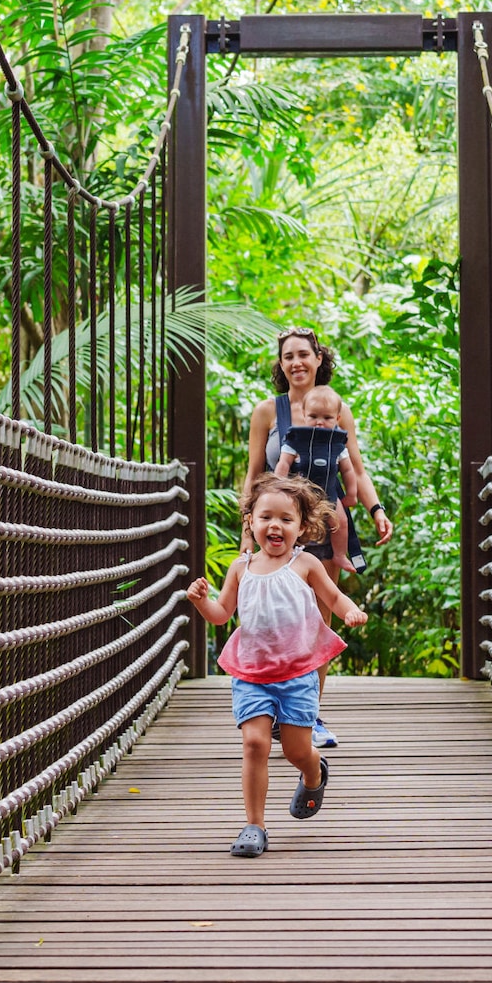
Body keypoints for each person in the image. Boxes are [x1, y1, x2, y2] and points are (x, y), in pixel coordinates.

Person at [185, 475, 368, 858]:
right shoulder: (241, 567)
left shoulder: (305, 564)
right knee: (254, 743)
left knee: (297, 751)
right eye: (266, 516)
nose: (275, 525)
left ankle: (314, 772)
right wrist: (202, 602)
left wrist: (351, 612)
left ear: (302, 528)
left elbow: (333, 598)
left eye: (286, 519)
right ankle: (254, 825)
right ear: (250, 521)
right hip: (252, 672)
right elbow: (222, 615)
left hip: (298, 673)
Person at [243, 327, 396, 747]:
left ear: (317, 359)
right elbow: (256, 475)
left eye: (304, 355)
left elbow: (355, 470)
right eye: (288, 356)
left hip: (326, 525)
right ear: (281, 364)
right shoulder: (266, 412)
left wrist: (375, 509)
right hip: (278, 531)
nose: (296, 362)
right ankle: (274, 707)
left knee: (319, 617)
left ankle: (308, 715)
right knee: (276, 619)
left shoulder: (335, 408)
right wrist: (246, 530)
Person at [272, 386, 362, 577]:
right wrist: (278, 489)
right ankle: (288, 553)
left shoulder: (337, 444)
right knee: (296, 524)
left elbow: (348, 469)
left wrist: (352, 493)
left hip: (329, 494)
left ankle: (338, 554)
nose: (319, 423)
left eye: (327, 418)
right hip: (300, 496)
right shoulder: (296, 441)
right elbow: (283, 465)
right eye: (313, 416)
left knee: (341, 522)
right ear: (303, 415)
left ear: (337, 418)